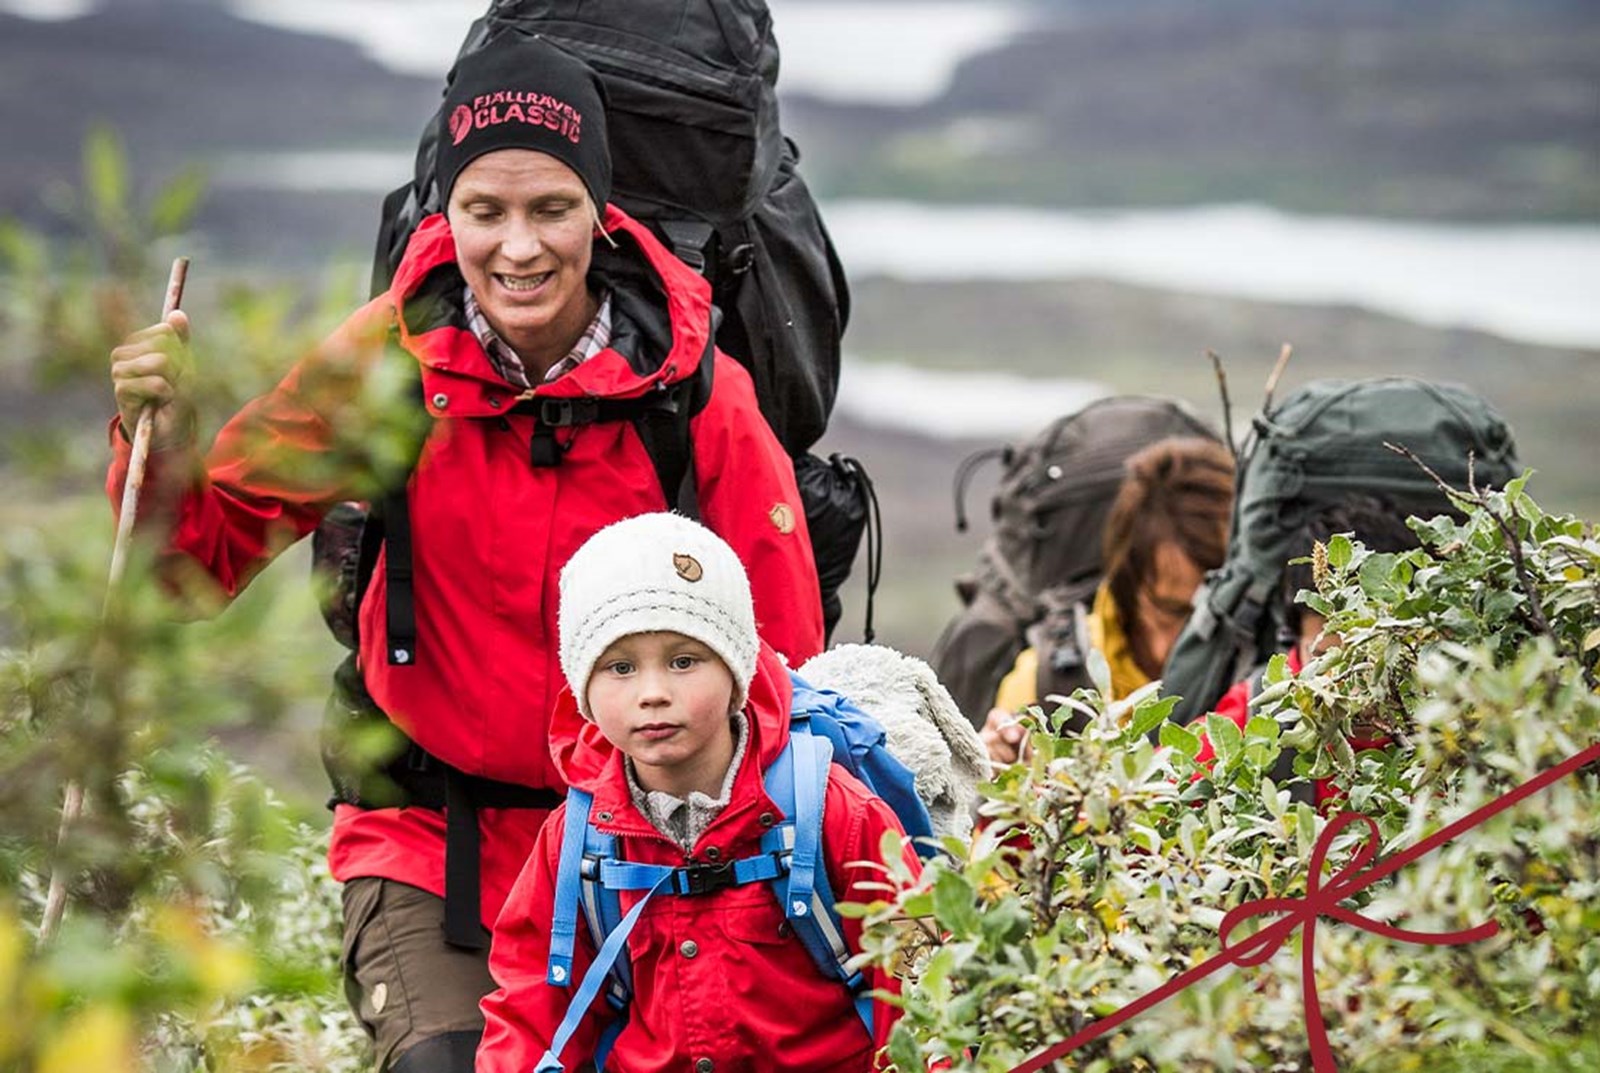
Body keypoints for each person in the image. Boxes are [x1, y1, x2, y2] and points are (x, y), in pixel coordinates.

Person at [105, 34, 823, 1072]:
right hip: (425, 844)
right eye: (485, 210)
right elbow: (188, 572)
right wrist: (154, 446)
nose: (518, 247)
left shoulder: (694, 395)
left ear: (600, 213)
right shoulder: (383, 364)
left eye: (551, 208)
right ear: (446, 214)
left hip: (632, 851)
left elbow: (783, 661)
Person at [477, 513, 917, 1072]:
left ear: (737, 672)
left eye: (685, 661)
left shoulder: (833, 811)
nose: (653, 693)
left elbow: (920, 994)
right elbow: (530, 1008)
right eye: (619, 667)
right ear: (582, 689)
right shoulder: (577, 843)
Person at [981, 437, 1234, 764]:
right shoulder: (1045, 684)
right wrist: (998, 767)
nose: (1165, 647)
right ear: (1128, 580)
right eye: (1162, 610)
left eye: (1199, 618)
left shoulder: (1274, 690)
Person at [1193, 496, 1419, 802]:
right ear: (1294, 639)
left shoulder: (1468, 729)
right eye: (1326, 660)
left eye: (1372, 658)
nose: (1352, 690)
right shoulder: (1249, 726)